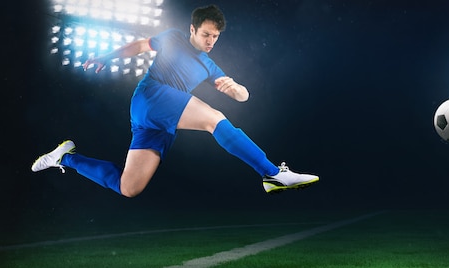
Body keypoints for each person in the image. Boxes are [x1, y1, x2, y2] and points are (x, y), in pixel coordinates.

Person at [32, 4, 319, 196]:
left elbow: (242, 95)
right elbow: (141, 45)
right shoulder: (173, 38)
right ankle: (272, 173)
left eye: (215, 37)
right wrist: (105, 58)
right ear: (192, 29)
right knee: (213, 119)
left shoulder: (209, 66)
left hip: (159, 121)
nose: (210, 41)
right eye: (206, 34)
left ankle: (66, 157)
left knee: (129, 187)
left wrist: (237, 89)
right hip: (151, 96)